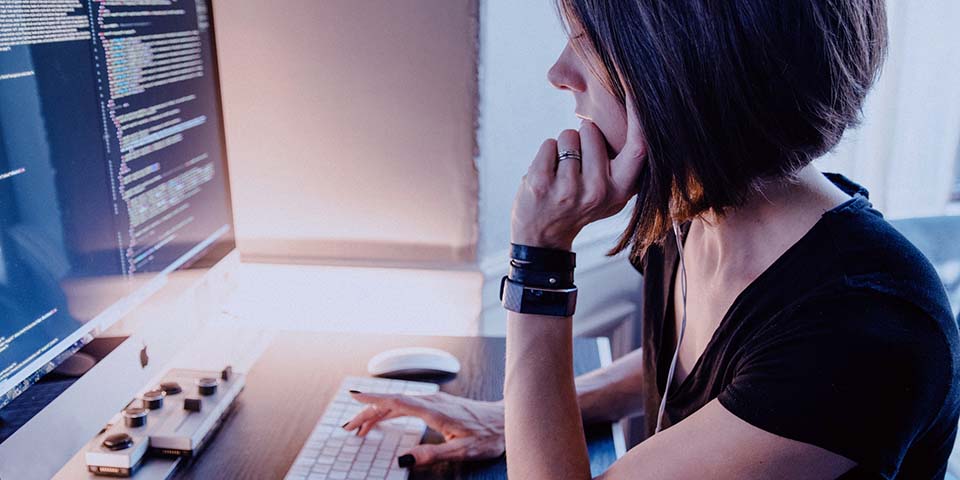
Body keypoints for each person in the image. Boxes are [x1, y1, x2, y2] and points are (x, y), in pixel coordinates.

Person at [343, 0, 960, 478]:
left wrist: (540, 255)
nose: (559, 73)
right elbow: (736, 385)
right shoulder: (694, 212)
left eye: (588, 45)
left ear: (689, 71)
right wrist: (514, 421)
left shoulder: (864, 332)